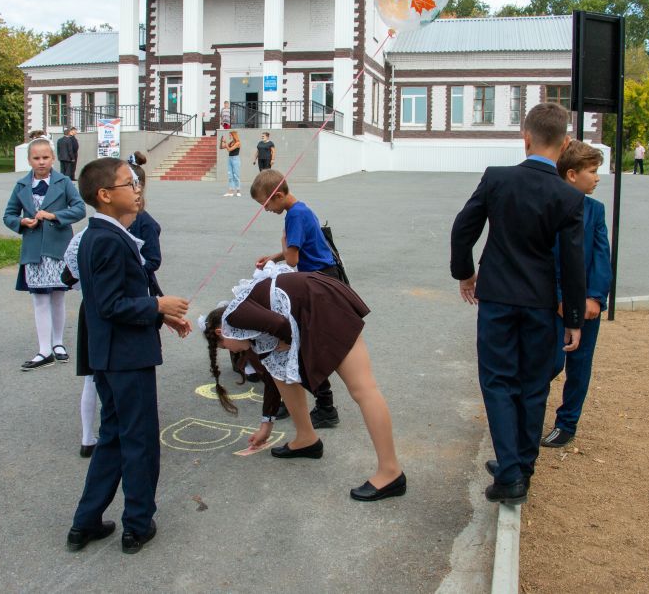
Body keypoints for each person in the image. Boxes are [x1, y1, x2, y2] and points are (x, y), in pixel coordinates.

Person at [450, 102, 586, 506]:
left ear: (525, 138)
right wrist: (574, 318)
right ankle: (521, 464)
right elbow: (573, 263)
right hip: (541, 304)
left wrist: (466, 273)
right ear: (563, 146)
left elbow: (463, 229)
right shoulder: (568, 197)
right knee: (533, 385)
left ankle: (511, 472)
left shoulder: (497, 179)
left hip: (496, 299)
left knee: (497, 382)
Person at [66, 157, 190, 555]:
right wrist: (157, 306)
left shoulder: (105, 234)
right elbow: (110, 305)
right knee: (139, 441)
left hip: (110, 354)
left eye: (136, 182)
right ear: (105, 195)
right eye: (128, 183)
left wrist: (162, 314)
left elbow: (122, 293)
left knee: (115, 438)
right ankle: (137, 523)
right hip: (124, 357)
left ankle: (84, 523)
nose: (137, 189)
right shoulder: (105, 238)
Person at [200, 263, 405, 501]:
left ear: (220, 333)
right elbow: (272, 376)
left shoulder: (234, 316)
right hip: (317, 300)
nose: (234, 352)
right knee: (281, 373)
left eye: (227, 348)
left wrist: (290, 342)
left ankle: (391, 472)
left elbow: (282, 326)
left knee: (363, 389)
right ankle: (306, 438)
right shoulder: (248, 332)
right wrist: (266, 424)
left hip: (323, 304)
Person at [251, 169, 343, 429]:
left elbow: (293, 259)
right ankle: (315, 404)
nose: (265, 210)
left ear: (277, 195)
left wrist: (282, 245)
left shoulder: (295, 216)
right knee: (300, 343)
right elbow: (298, 248)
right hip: (322, 279)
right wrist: (273, 257)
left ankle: (324, 407)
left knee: (302, 344)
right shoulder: (300, 209)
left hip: (319, 283)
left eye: (264, 204)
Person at [540, 141, 612, 449]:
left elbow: (601, 255)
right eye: (593, 172)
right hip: (554, 304)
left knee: (580, 365)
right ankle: (530, 415)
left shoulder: (595, 210)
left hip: (586, 305)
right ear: (572, 174)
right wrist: (559, 297)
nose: (597, 178)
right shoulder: (551, 208)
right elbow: (549, 257)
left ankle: (567, 423)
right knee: (549, 362)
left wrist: (594, 298)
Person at [3, 138, 86, 370]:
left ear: (53, 158)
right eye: (36, 158)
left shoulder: (64, 182)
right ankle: (44, 349)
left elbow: (79, 208)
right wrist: (22, 222)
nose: (41, 162)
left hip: (58, 250)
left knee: (58, 297)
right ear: (29, 160)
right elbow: (8, 214)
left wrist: (54, 216)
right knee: (39, 299)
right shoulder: (21, 185)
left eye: (45, 157)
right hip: (34, 252)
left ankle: (58, 343)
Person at [220, 130, 241, 197]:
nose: (229, 136)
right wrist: (221, 141)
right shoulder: (231, 142)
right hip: (230, 159)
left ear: (233, 135)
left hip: (235, 159)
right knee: (230, 175)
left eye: (230, 135)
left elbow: (229, 149)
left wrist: (225, 142)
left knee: (236, 175)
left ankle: (238, 190)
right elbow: (221, 147)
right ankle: (231, 191)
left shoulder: (238, 143)